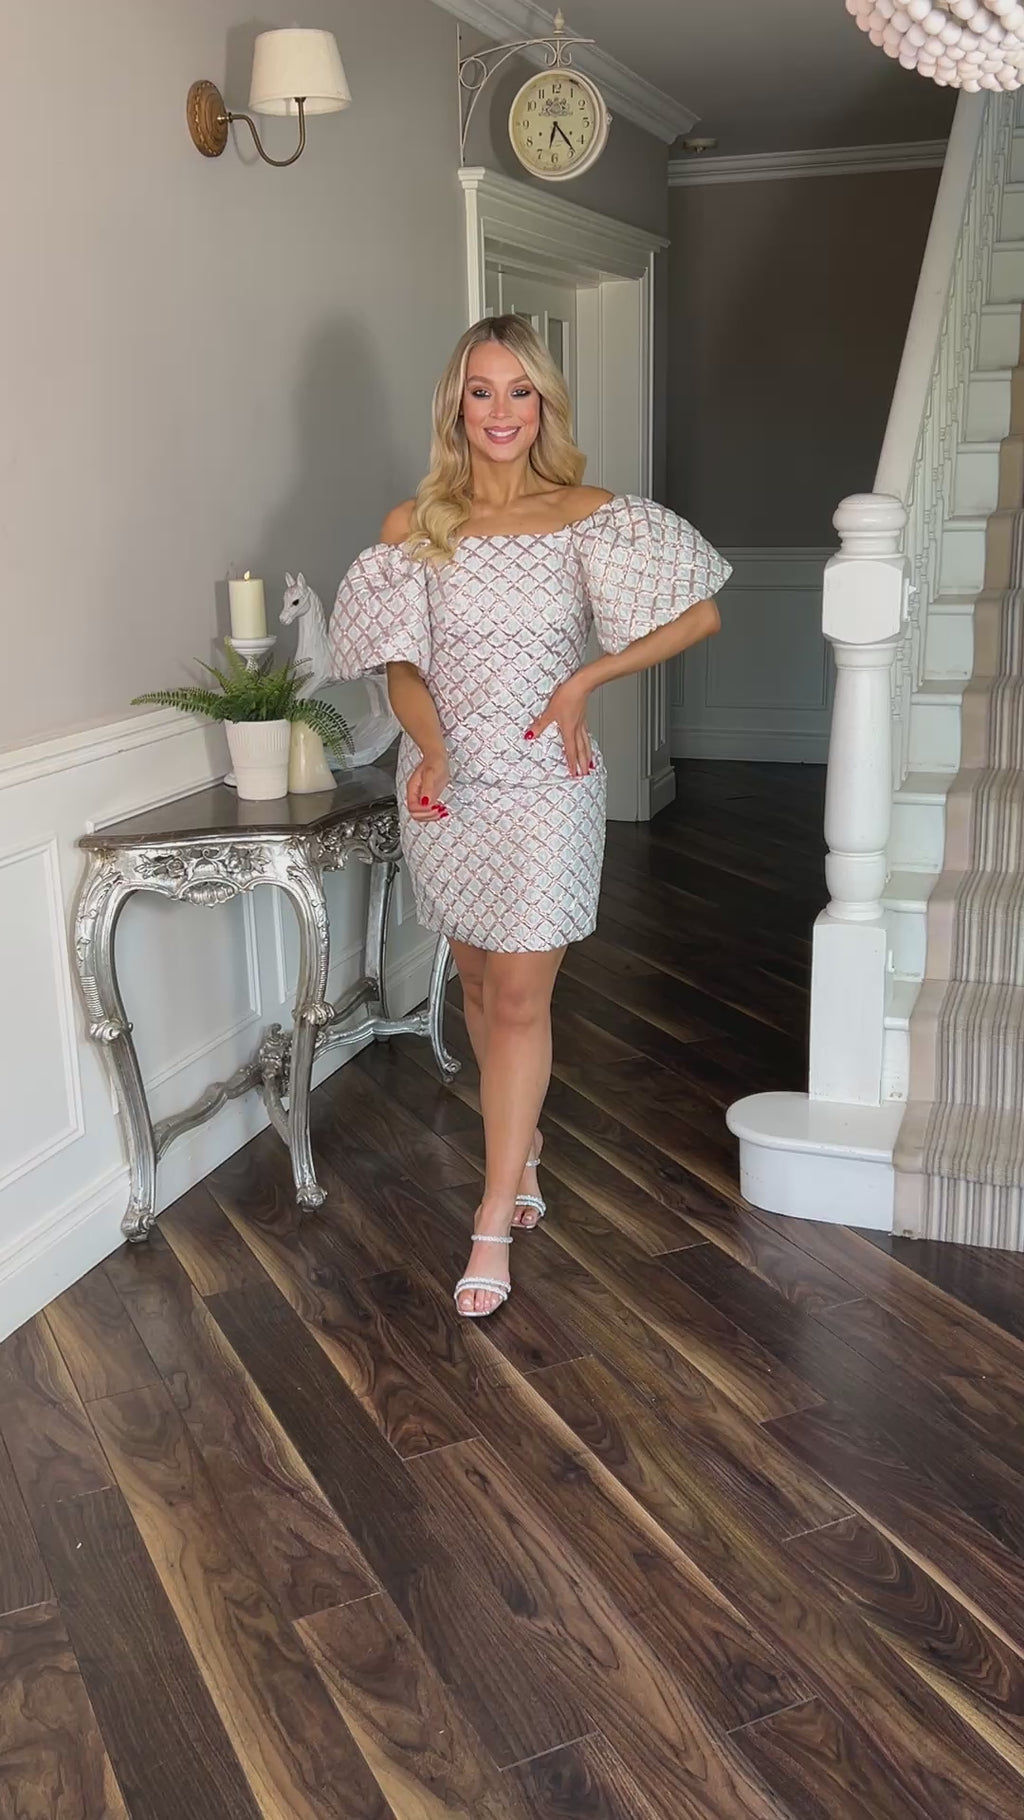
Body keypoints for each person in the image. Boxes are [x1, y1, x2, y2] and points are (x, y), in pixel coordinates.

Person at [329, 315, 728, 1319]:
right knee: (473, 981)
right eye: (482, 391)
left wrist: (587, 678)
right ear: (455, 405)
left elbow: (700, 614)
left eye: (520, 392)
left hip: (551, 784)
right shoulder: (414, 525)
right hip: (447, 785)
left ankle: (491, 1216)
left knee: (518, 999)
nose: (501, 411)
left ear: (544, 405)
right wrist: (431, 747)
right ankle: (525, 1148)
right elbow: (403, 671)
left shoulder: (588, 516)